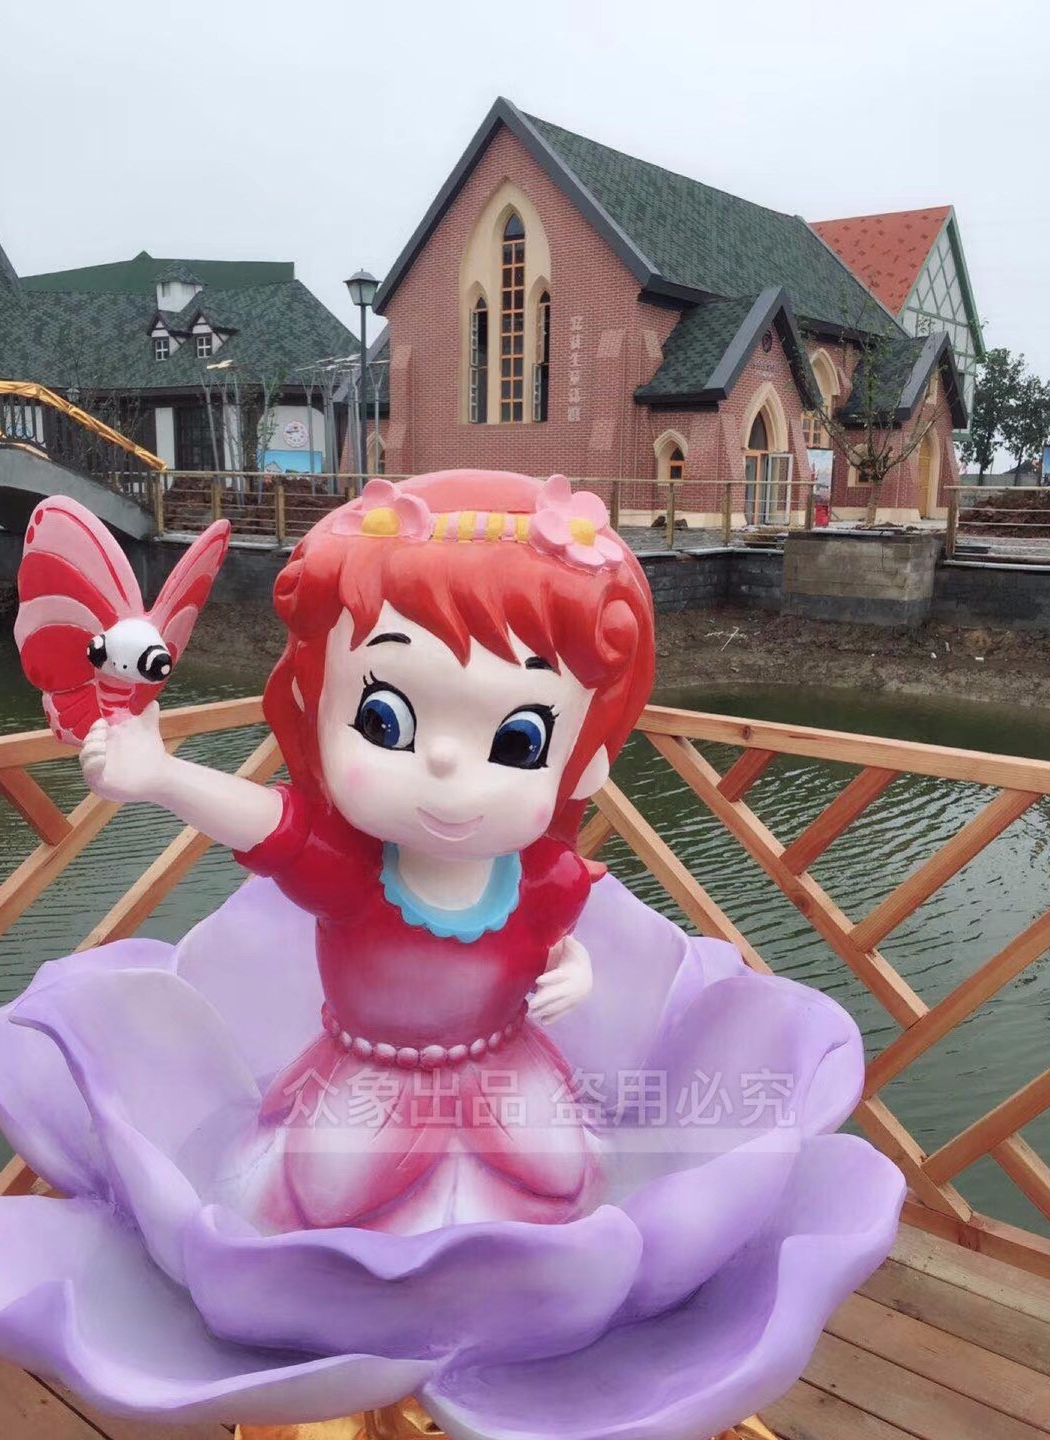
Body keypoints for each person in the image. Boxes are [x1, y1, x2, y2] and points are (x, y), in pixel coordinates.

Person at [78, 470, 655, 1234]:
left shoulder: (536, 878)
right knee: (328, 1200)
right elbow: (266, 823)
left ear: (584, 762)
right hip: (368, 1082)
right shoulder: (354, 875)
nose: (445, 766)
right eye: (385, 722)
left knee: (556, 1183)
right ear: (316, 712)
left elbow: (551, 941)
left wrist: (573, 967)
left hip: (506, 1070)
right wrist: (163, 777)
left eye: (519, 741)